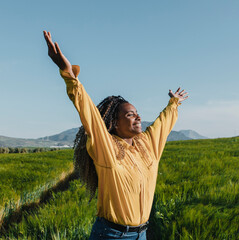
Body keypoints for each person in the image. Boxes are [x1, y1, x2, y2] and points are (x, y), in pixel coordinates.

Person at [43, 31, 188, 240]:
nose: (138, 118)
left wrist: (174, 103)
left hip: (142, 234)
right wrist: (70, 76)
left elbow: (162, 125)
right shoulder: (107, 149)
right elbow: (91, 117)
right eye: (130, 115)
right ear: (114, 123)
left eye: (137, 114)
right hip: (112, 235)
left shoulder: (146, 144)